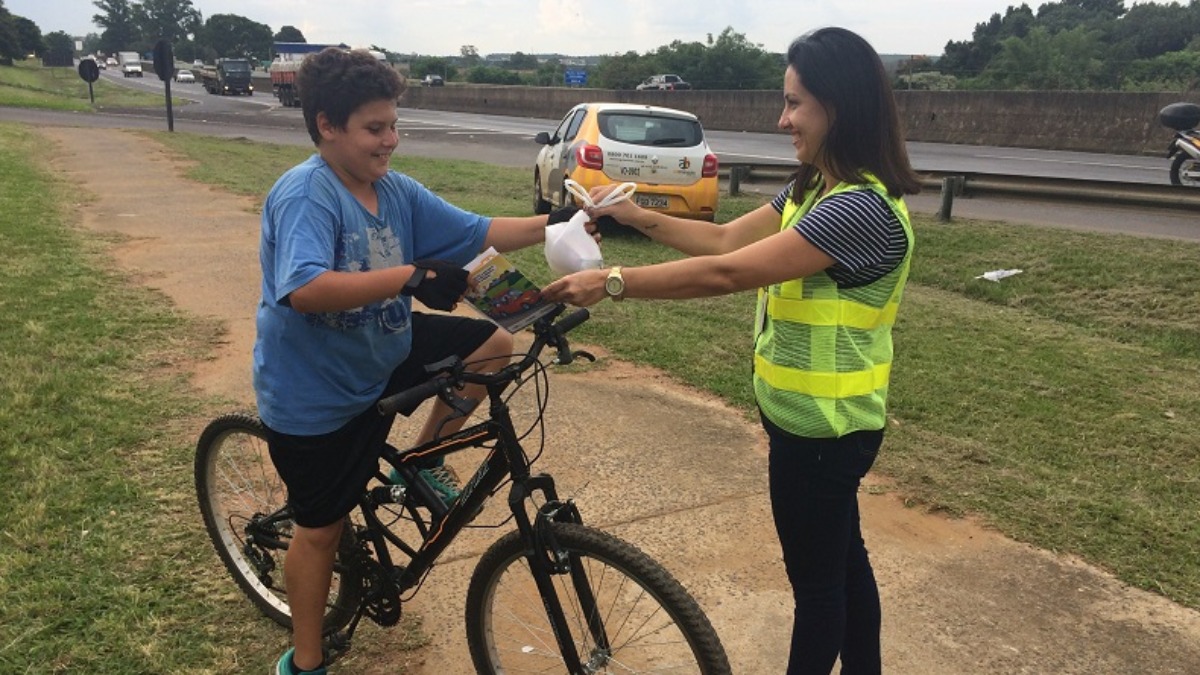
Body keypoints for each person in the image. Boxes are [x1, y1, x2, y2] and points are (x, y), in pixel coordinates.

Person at [542, 27, 921, 675]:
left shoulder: (856, 209)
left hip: (822, 434)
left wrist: (612, 282)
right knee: (844, 566)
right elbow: (723, 244)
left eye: (796, 103)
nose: (784, 119)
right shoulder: (813, 190)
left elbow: (729, 275)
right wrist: (637, 217)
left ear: (840, 105)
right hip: (818, 426)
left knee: (820, 587)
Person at [254, 47, 585, 675]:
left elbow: (479, 228)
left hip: (385, 351)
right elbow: (303, 289)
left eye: (394, 126)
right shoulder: (307, 194)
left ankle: (419, 465)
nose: (391, 142)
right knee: (320, 531)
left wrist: (556, 221)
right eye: (375, 129)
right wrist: (410, 276)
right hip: (315, 393)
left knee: (493, 344)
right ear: (327, 125)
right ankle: (305, 660)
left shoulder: (394, 191)